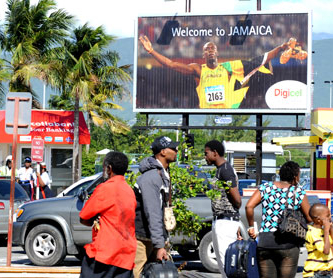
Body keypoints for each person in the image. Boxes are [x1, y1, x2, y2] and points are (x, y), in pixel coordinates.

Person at [139, 35, 306, 109]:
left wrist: (280, 48)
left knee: (255, 68)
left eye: (213, 48)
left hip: (228, 110)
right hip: (206, 114)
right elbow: (171, 64)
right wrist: (151, 51)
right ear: (204, 54)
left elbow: (259, 59)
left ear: (217, 53)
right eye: (207, 49)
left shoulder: (228, 67)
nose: (211, 50)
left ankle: (289, 52)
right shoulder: (198, 69)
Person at [245, 161, 312, 278]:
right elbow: (309, 218)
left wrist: (251, 226)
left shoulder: (265, 188)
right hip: (288, 243)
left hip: (265, 243)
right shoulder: (298, 192)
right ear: (295, 177)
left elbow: (248, 206)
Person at [79, 151, 136, 278]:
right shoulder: (129, 191)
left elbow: (83, 217)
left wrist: (95, 219)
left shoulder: (105, 188)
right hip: (125, 255)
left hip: (104, 254)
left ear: (109, 168)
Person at [133, 136, 179, 278]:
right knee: (136, 273)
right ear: (163, 152)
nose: (176, 151)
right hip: (141, 238)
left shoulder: (162, 173)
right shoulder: (151, 177)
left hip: (151, 237)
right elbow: (152, 213)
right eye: (173, 148)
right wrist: (160, 246)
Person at [204, 139, 242, 278]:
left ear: (215, 153)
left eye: (206, 153)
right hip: (220, 221)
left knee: (228, 265)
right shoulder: (220, 170)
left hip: (226, 221)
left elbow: (237, 200)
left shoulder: (225, 170)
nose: (205, 156)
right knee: (223, 265)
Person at [303, 203, 333, 278]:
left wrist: (331, 229)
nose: (330, 217)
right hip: (315, 274)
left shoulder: (322, 230)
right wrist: (327, 231)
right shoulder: (313, 232)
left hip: (325, 272)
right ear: (318, 220)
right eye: (327, 216)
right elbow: (326, 251)